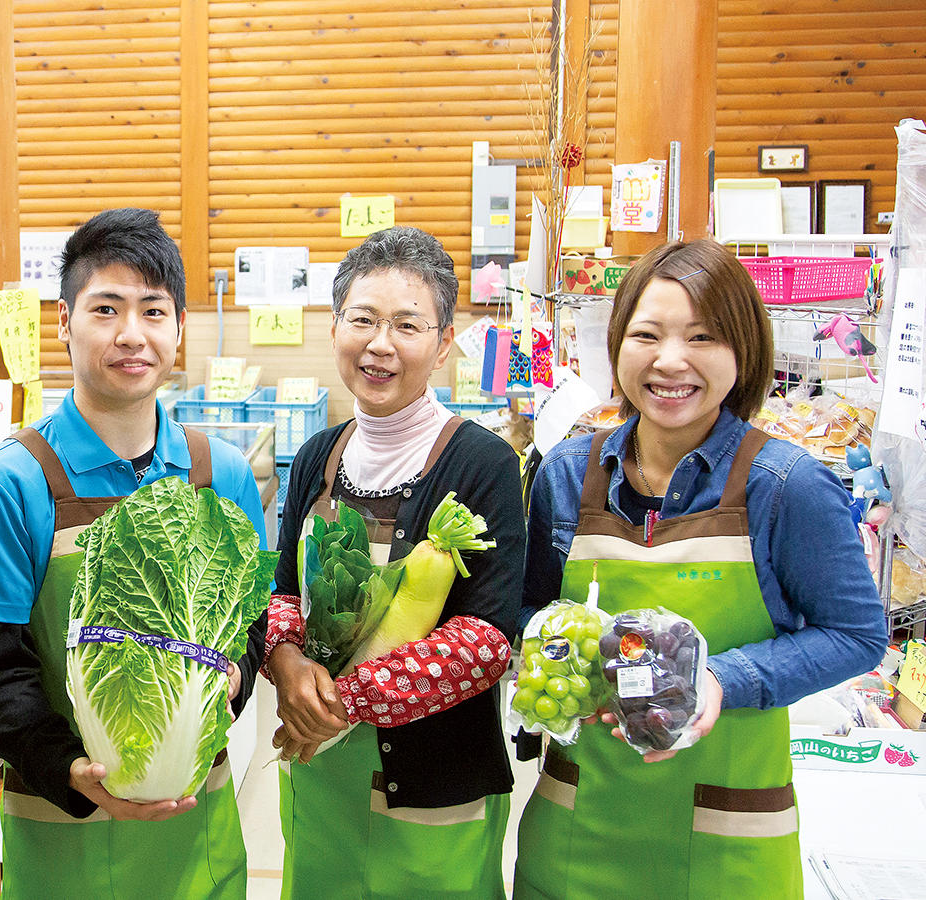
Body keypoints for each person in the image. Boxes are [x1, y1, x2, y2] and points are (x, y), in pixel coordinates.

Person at [512, 240, 889, 900]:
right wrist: (551, 656)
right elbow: (530, 611)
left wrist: (720, 679)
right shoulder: (568, 475)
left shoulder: (786, 486)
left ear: (742, 349)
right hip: (576, 837)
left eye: (702, 337)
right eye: (647, 334)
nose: (670, 361)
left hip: (728, 849)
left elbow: (856, 634)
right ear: (618, 345)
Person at [0, 207, 268, 899]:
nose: (132, 334)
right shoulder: (7, 484)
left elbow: (250, 628)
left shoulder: (223, 473)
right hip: (64, 846)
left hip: (201, 843)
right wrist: (69, 771)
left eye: (153, 311)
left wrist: (235, 677)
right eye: (106, 309)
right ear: (64, 321)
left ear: (180, 327)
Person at [259, 226, 524, 900]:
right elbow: (286, 592)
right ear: (334, 325)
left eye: (407, 325)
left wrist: (341, 701)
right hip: (322, 780)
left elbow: (485, 641)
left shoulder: (483, 462)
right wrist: (285, 663)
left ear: (441, 344)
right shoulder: (319, 456)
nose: (380, 345)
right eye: (363, 320)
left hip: (435, 799)